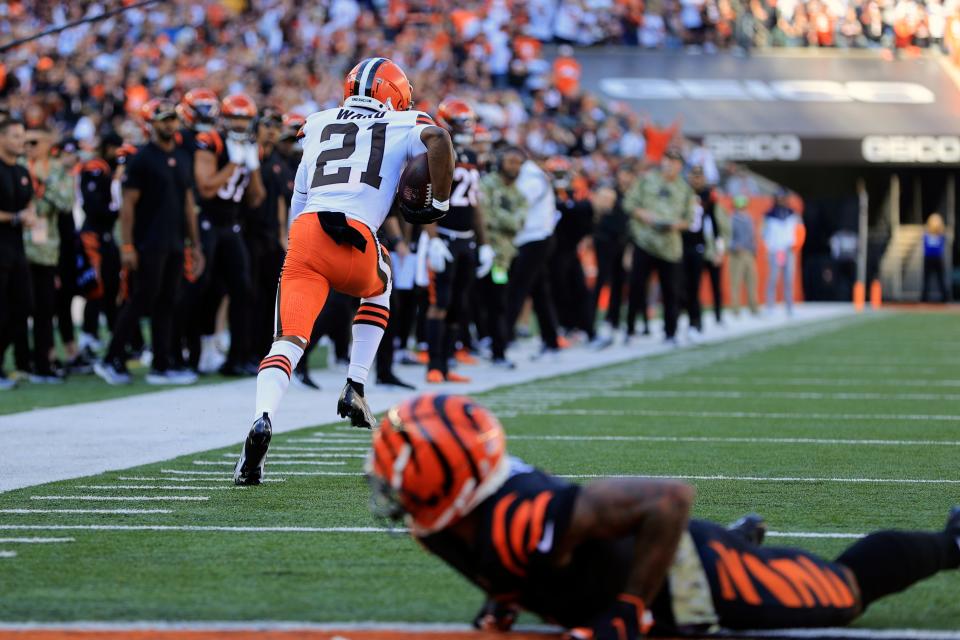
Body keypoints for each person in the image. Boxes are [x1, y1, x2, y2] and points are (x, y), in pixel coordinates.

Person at [368, 393, 960, 640]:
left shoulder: (523, 518)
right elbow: (516, 561)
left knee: (841, 594)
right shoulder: (445, 524)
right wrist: (504, 594)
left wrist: (628, 609)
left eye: (403, 483)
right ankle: (737, 538)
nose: (396, 497)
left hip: (688, 578)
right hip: (614, 568)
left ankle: (950, 541)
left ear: (449, 480)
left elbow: (670, 498)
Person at [233, 57, 455, 486]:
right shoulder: (404, 121)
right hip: (356, 236)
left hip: (307, 234)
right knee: (382, 281)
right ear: (395, 94)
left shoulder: (317, 122)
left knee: (288, 340)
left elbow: (301, 194)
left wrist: (298, 248)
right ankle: (355, 383)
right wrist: (439, 203)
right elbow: (440, 140)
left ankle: (262, 420)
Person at [94, 99, 204, 386]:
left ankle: (161, 363)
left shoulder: (182, 156)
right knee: (141, 298)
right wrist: (127, 246)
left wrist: (195, 244)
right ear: (150, 123)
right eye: (164, 119)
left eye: (173, 119)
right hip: (149, 241)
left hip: (174, 241)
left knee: (168, 301)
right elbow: (128, 207)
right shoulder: (142, 158)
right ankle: (111, 358)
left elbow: (188, 203)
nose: (170, 124)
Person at [189, 93, 266, 376]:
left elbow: (257, 197)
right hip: (207, 221)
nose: (239, 124)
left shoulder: (249, 146)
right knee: (202, 287)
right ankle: (194, 350)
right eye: (234, 117)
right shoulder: (212, 141)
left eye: (244, 119)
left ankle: (238, 356)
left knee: (242, 289)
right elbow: (207, 187)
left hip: (231, 224)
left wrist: (253, 166)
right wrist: (233, 164)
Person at [423, 98, 490, 384]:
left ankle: (448, 363)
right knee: (440, 302)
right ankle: (434, 365)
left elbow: (473, 204)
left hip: (466, 240)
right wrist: (433, 238)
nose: (466, 127)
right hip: (445, 236)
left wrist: (483, 242)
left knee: (459, 304)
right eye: (461, 122)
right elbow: (429, 197)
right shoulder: (436, 152)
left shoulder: (473, 157)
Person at [624, 148, 693, 345]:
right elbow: (629, 203)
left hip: (670, 246)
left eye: (675, 161)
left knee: (671, 291)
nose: (670, 164)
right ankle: (630, 330)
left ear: (680, 166)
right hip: (644, 241)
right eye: (667, 159)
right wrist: (643, 215)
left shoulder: (685, 189)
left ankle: (670, 332)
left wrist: (675, 225)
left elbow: (689, 219)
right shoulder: (646, 180)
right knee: (636, 287)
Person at [23, 128, 76, 382]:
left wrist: (41, 183)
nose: (27, 146)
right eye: (24, 141)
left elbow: (66, 203)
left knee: (45, 308)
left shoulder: (57, 170)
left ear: (47, 143)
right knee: (16, 308)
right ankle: (24, 361)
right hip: (16, 246)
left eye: (33, 142)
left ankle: (43, 362)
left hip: (46, 249)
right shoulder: (15, 165)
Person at [244, 108, 288, 362]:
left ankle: (261, 351)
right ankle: (245, 350)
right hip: (249, 231)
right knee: (249, 293)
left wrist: (283, 236)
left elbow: (282, 202)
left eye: (276, 125)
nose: (272, 130)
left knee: (268, 297)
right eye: (267, 124)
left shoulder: (278, 163)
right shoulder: (250, 157)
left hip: (271, 235)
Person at [506, 156, 561, 358]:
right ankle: (551, 339)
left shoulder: (532, 179)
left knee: (517, 289)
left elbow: (515, 201)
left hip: (534, 239)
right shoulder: (534, 177)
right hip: (535, 238)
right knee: (539, 292)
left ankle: (503, 338)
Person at [477, 146, 527, 369]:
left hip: (503, 259)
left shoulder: (519, 194)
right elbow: (483, 215)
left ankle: (498, 349)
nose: (514, 167)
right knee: (469, 301)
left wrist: (500, 219)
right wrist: (506, 219)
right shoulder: (487, 184)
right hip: (484, 250)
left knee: (499, 302)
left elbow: (519, 222)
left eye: (518, 163)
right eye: (510, 162)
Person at [79, 132, 126, 353]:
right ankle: (88, 336)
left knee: (113, 287)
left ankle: (114, 334)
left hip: (107, 234)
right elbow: (93, 206)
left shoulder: (112, 169)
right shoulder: (95, 168)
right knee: (95, 288)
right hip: (93, 234)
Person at [0, 118, 37, 391]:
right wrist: (15, 218)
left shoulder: (23, 171)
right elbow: (17, 214)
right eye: (14, 136)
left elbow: (30, 205)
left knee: (23, 306)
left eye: (22, 136)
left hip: (18, 250)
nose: (20, 141)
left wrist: (29, 216)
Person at [591, 167, 634, 349]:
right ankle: (590, 323)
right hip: (604, 241)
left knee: (619, 283)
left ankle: (613, 320)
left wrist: (629, 249)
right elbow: (598, 211)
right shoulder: (609, 191)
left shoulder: (634, 196)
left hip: (622, 243)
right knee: (601, 281)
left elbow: (631, 224)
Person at [762, 189, 802, 315]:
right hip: (776, 251)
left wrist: (795, 245)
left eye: (783, 198)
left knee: (788, 279)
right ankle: (770, 306)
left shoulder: (792, 214)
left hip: (788, 250)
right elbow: (764, 233)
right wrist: (770, 247)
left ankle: (789, 307)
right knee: (773, 278)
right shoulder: (769, 215)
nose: (781, 200)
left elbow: (799, 231)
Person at [727, 196, 759, 315]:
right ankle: (735, 309)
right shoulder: (731, 219)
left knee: (752, 282)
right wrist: (734, 246)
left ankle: (754, 307)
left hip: (749, 253)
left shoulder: (748, 218)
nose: (742, 209)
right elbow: (727, 237)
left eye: (743, 206)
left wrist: (753, 250)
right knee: (735, 282)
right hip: (736, 255)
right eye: (740, 207)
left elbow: (752, 236)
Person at [921, 212, 950, 302]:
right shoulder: (926, 235)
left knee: (940, 279)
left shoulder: (941, 235)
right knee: (926, 279)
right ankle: (924, 298)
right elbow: (927, 247)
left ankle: (944, 298)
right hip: (928, 259)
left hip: (937, 259)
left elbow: (940, 247)